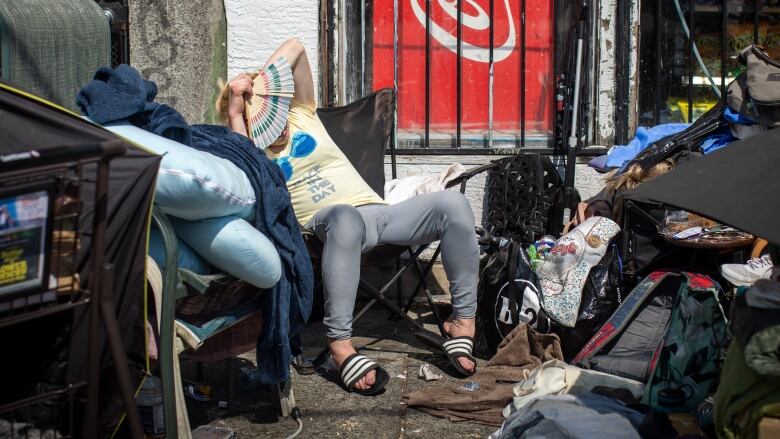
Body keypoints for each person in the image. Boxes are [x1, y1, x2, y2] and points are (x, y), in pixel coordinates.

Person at [218, 39, 479, 395]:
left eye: (274, 110)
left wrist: (263, 87)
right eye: (262, 117)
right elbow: (240, 149)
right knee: (344, 217)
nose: (276, 122)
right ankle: (340, 345)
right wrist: (236, 107)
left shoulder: (302, 115)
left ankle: (462, 321)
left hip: (379, 216)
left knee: (453, 203)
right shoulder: (254, 151)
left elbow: (295, 48)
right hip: (325, 226)